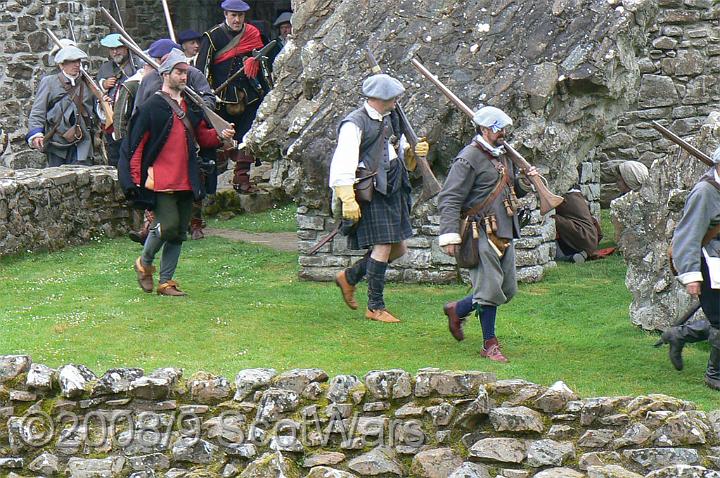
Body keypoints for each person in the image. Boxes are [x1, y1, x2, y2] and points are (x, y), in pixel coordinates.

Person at [118, 49, 235, 296]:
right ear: (166, 74)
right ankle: (144, 261)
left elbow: (201, 136)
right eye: (179, 72)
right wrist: (136, 182)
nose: (184, 77)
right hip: (160, 179)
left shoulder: (190, 106)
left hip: (186, 177)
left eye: (185, 72)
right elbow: (136, 145)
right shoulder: (152, 106)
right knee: (168, 226)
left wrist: (220, 136)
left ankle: (166, 282)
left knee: (179, 233)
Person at [438, 106, 537, 362]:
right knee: (490, 288)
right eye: (498, 128)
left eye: (503, 128)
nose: (503, 132)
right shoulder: (468, 157)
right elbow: (449, 197)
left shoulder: (502, 155)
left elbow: (511, 190)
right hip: (479, 231)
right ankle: (489, 343)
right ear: (484, 129)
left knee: (507, 288)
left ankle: (458, 309)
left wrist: (526, 182)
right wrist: (449, 234)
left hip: (504, 228)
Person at [331, 74, 428, 323]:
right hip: (372, 191)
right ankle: (375, 307)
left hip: (394, 186)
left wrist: (415, 152)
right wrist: (347, 199)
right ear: (379, 98)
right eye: (392, 98)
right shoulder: (354, 123)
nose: (396, 101)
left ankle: (350, 277)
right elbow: (343, 163)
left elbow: (400, 150)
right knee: (383, 245)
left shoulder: (392, 118)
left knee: (399, 248)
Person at [130, 38, 218, 244]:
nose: (160, 62)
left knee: (194, 184)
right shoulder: (150, 78)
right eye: (158, 59)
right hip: (159, 143)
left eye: (163, 58)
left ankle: (195, 224)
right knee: (156, 191)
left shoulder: (193, 75)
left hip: (191, 134)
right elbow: (139, 109)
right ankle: (149, 231)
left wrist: (195, 108)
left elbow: (208, 100)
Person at [661, 148, 720, 391]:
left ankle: (680, 334)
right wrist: (691, 276)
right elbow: (688, 236)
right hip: (710, 263)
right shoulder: (704, 192)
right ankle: (714, 374)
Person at [196, 0, 270, 194]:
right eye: (233, 15)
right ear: (225, 15)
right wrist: (205, 96)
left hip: (250, 95)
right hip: (221, 99)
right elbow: (201, 70)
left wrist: (267, 89)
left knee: (247, 135)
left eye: (240, 15)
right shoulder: (212, 37)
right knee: (220, 138)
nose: (237, 19)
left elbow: (263, 66)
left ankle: (242, 176)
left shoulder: (253, 34)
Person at [26, 45, 95, 167]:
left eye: (78, 61)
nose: (77, 65)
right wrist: (36, 134)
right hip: (57, 142)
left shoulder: (87, 83)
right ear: (62, 65)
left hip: (82, 141)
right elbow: (38, 111)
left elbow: (94, 111)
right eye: (72, 61)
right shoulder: (49, 82)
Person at [97, 33, 139, 166]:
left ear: (126, 48)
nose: (115, 52)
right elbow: (97, 94)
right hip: (111, 122)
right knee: (114, 160)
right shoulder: (105, 68)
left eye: (118, 48)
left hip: (131, 120)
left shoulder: (136, 67)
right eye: (111, 49)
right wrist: (103, 86)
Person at [553, 186, 601, 264]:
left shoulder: (565, 199)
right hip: (592, 239)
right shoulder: (578, 197)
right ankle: (580, 254)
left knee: (550, 219)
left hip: (582, 237)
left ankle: (566, 257)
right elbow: (594, 223)